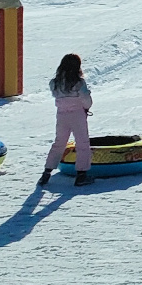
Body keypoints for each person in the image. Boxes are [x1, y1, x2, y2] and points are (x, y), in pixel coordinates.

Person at [40, 53, 93, 187]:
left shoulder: (55, 83)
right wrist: (86, 106)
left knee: (59, 142)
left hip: (62, 115)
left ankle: (46, 172)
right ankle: (81, 175)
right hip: (77, 115)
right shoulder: (79, 82)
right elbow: (86, 100)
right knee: (82, 143)